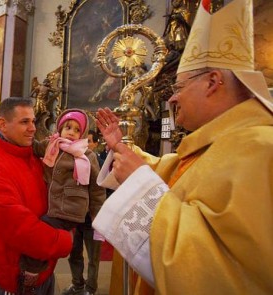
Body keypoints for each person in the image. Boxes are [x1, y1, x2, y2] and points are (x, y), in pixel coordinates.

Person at [93, 0, 273, 294]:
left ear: (213, 82)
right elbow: (172, 172)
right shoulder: (221, 142)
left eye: (178, 87)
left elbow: (228, 272)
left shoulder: (261, 148)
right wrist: (123, 151)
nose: (172, 99)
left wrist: (139, 181)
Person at [0, 97, 73, 295]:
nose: (33, 128)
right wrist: (64, 240)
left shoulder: (34, 157)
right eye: (24, 122)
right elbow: (19, 227)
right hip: (15, 276)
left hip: (44, 267)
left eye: (33, 121)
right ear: (3, 124)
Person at [21, 110, 106, 287]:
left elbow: (96, 189)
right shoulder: (52, 145)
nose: (72, 132)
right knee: (49, 236)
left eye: (77, 130)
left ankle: (32, 270)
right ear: (60, 128)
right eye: (68, 127)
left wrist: (98, 215)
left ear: (82, 133)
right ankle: (66, 279)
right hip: (56, 205)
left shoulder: (86, 155)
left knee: (41, 229)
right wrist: (23, 132)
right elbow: (32, 146)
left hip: (71, 206)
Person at [61, 130, 107, 295]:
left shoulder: (99, 161)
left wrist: (98, 214)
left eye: (89, 141)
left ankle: (90, 289)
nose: (85, 144)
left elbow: (101, 191)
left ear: (95, 144)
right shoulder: (72, 159)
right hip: (74, 218)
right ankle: (77, 284)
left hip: (92, 219)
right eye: (83, 140)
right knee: (74, 255)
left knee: (93, 258)